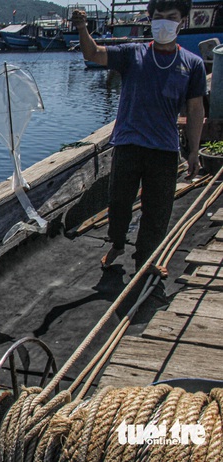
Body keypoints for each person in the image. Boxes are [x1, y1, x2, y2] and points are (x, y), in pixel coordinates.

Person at [72, 0, 206, 276]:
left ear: (182, 21)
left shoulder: (192, 64)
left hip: (164, 150)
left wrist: (193, 151)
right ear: (150, 19)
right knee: (119, 203)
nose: (164, 23)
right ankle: (118, 243)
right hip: (128, 145)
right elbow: (93, 53)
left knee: (157, 212)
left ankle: (146, 259)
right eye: (159, 17)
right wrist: (82, 28)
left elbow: (195, 109)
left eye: (171, 17)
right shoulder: (132, 54)